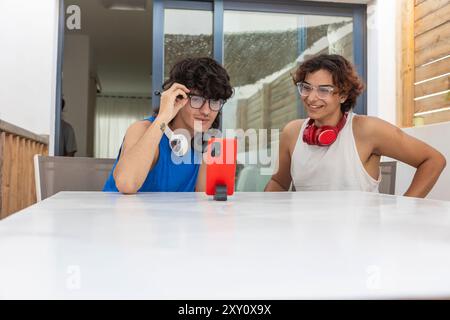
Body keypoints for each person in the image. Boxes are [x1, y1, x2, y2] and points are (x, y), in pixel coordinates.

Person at [265, 54, 446, 197]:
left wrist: (405, 210)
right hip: (307, 236)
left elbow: (433, 160)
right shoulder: (292, 132)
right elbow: (279, 183)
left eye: (323, 90)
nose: (311, 97)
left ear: (343, 95)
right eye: (306, 87)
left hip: (361, 239)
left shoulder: (367, 130)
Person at [103, 57, 233, 194]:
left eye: (215, 101)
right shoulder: (142, 129)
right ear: (178, 97)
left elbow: (204, 199)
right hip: (119, 214)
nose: (206, 111)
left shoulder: (206, 144)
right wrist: (163, 117)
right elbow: (126, 184)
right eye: (196, 99)